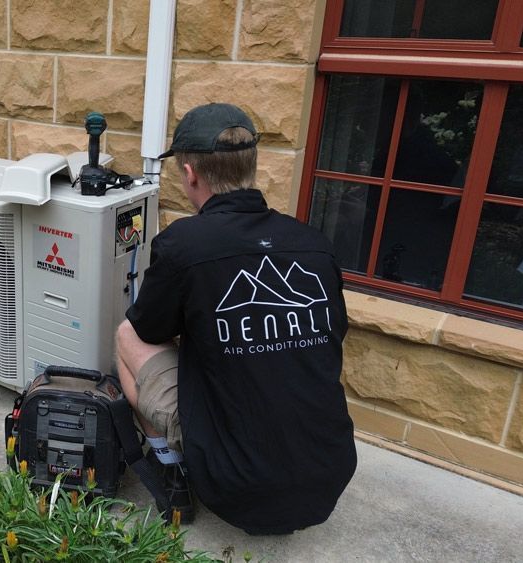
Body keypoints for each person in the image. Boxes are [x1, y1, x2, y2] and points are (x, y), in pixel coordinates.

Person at [115, 103, 356, 534]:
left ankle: (172, 472)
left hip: (232, 485)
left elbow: (149, 330)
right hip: (328, 476)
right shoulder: (314, 243)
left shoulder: (183, 244)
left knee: (127, 334)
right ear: (251, 167)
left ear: (190, 174)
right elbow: (333, 338)